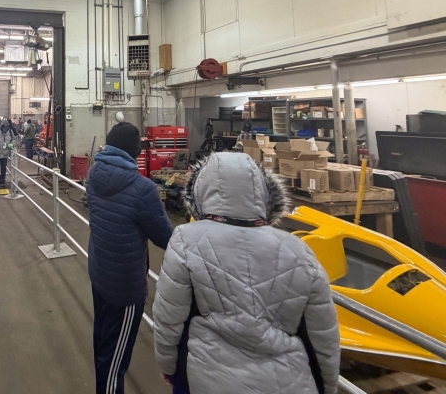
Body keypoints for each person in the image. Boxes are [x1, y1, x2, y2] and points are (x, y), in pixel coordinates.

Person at [152, 153, 340, 394]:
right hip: (289, 380)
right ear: (264, 192)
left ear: (200, 192)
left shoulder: (186, 240)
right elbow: (324, 336)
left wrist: (168, 366)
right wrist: (328, 385)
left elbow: (169, 317)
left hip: (209, 375)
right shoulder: (299, 250)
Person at [86, 122, 173, 394]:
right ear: (135, 152)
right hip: (124, 287)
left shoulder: (93, 173)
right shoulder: (142, 188)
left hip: (99, 272)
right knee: (115, 360)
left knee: (104, 342)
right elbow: (165, 238)